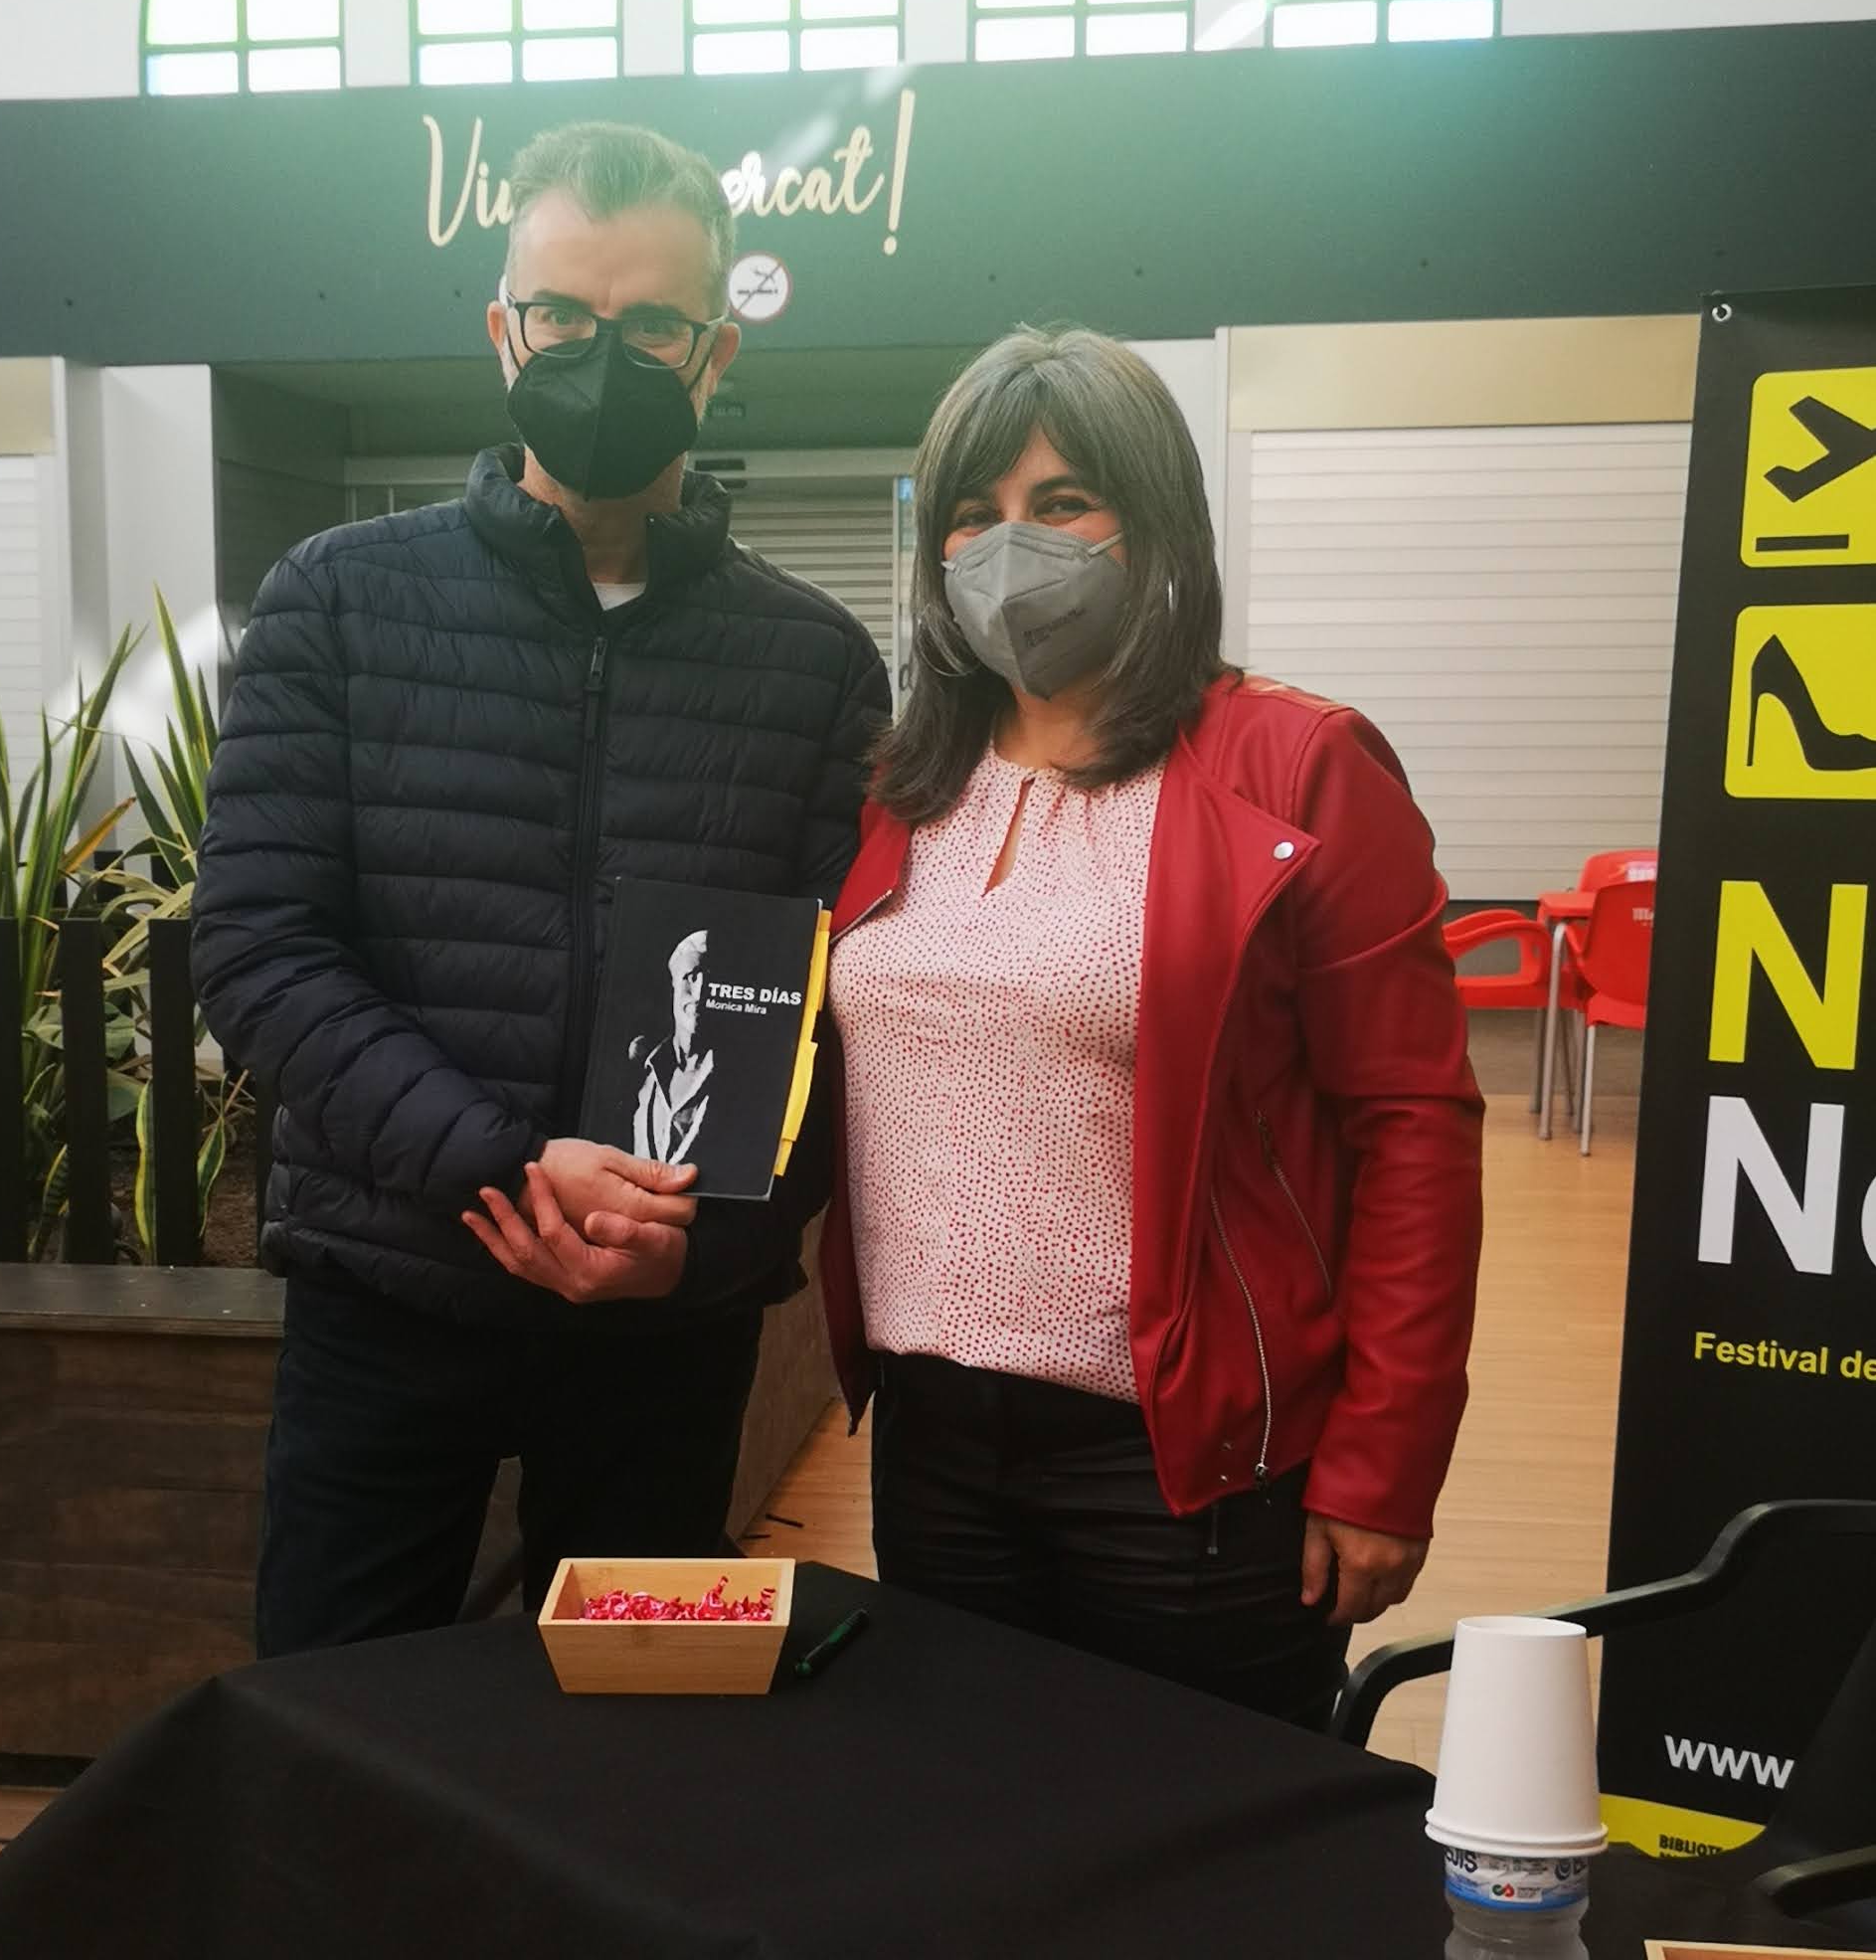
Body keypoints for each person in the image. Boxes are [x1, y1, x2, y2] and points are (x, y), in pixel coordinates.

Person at [191, 120, 889, 1657]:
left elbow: (838, 1010)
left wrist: (708, 1248)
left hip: (662, 1322)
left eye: (650, 326)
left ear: (714, 354)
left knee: (638, 1734)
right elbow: (259, 948)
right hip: (391, 1289)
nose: (600, 354)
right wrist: (503, 1167)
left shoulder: (814, 665)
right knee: (340, 1717)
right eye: (564, 315)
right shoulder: (338, 604)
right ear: (504, 332)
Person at [818, 326, 1483, 1729]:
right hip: (931, 1444)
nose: (1011, 545)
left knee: (1194, 1829)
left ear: (1157, 520)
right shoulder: (903, 784)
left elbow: (1414, 1127)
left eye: (1063, 502)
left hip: (1185, 1469)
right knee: (962, 1809)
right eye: (974, 514)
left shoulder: (1296, 764)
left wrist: (1386, 1458)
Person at [630, 930, 715, 1165]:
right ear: (673, 984)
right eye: (691, 976)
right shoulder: (642, 1070)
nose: (700, 992)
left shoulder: (735, 1074)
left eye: (712, 979)